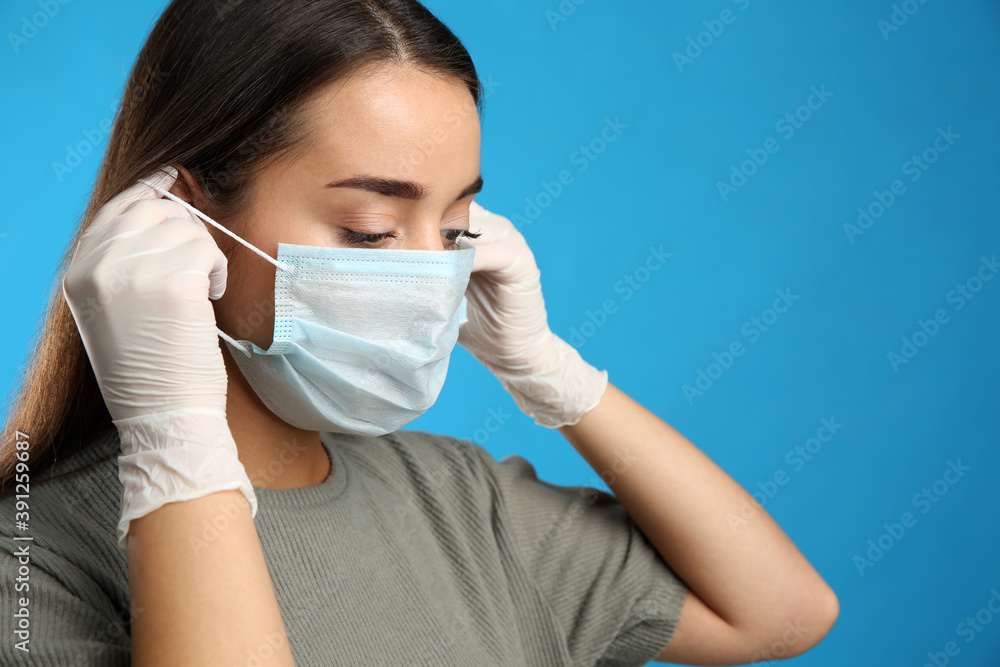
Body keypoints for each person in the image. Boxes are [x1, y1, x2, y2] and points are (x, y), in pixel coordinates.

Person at [0, 1, 839, 664]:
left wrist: (551, 373)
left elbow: (779, 613)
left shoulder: (461, 498)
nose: (429, 273)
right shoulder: (33, 554)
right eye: (371, 230)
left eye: (457, 226)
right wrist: (174, 437)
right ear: (180, 220)